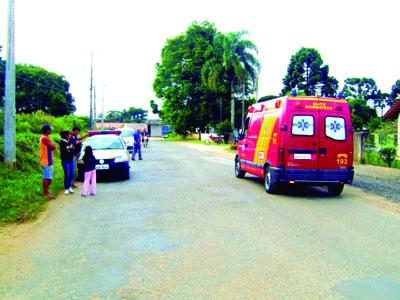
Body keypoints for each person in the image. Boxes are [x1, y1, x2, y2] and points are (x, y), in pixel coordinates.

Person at [39, 124, 56, 200]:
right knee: (47, 177)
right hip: (47, 161)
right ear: (47, 130)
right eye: (50, 129)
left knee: (48, 177)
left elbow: (52, 147)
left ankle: (46, 191)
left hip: (48, 160)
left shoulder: (45, 138)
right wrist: (53, 145)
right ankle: (46, 192)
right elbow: (53, 147)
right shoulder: (45, 138)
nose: (51, 130)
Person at [59, 131, 75, 195]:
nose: (70, 135)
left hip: (71, 159)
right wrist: (70, 149)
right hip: (65, 160)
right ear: (66, 135)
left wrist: (70, 149)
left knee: (71, 174)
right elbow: (66, 150)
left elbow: (72, 149)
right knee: (67, 174)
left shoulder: (70, 141)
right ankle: (66, 188)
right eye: (69, 135)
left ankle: (69, 187)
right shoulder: (62, 142)